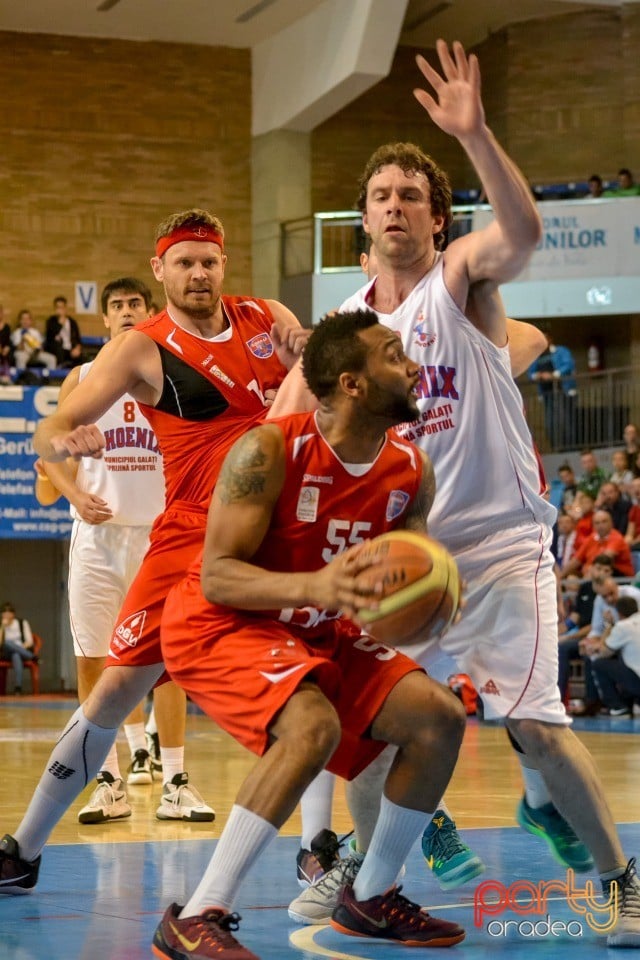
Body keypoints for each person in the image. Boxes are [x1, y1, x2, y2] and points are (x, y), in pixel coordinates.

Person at [291, 39, 639, 947]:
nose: (395, 206)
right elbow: (287, 432)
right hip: (407, 558)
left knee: (536, 725)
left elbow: (520, 235)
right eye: (381, 197)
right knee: (372, 730)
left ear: (438, 220)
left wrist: (477, 133)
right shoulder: (343, 333)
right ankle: (372, 886)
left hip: (500, 545)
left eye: (412, 195)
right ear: (363, 221)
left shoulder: (459, 285)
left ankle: (621, 881)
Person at [0, 208, 308, 894]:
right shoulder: (143, 347)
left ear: (224, 265)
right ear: (160, 267)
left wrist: (311, 348)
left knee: (325, 684)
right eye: (185, 262)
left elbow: (318, 372)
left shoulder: (266, 318)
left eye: (210, 261)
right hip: (189, 533)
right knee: (113, 688)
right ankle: (22, 847)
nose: (199, 273)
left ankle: (318, 846)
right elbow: (52, 424)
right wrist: (61, 443)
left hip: (277, 532)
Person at [154, 309, 466, 957]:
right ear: (351, 383)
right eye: (391, 354)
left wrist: (431, 597)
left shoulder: (412, 469)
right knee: (312, 727)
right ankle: (196, 915)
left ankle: (371, 897)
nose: (411, 366)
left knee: (438, 717)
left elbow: (408, 577)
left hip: (318, 631)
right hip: (222, 622)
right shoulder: (268, 449)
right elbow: (217, 577)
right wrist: (319, 587)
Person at [34, 277, 212, 824]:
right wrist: (75, 494)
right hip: (98, 536)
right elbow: (49, 451)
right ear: (105, 320)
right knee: (94, 662)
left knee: (170, 663)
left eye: (136, 303)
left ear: (151, 311)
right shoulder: (84, 379)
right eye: (117, 306)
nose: (127, 311)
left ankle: (176, 780)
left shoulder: (172, 375)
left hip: (161, 536)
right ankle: (108, 781)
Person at [591, 596, 640, 716]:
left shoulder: (623, 626)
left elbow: (603, 651)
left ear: (619, 613)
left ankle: (618, 706)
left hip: (637, 682)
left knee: (599, 663)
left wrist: (608, 626)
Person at [528, 334, 577, 449]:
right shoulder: (536, 356)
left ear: (550, 340)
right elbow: (531, 373)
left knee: (566, 420)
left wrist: (553, 375)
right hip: (547, 394)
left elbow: (568, 364)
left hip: (563, 391)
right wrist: (539, 375)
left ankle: (570, 446)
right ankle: (555, 446)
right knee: (550, 422)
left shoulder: (560, 351)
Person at [562, 509, 635, 580]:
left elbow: (604, 559)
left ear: (612, 523)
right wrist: (560, 576)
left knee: (596, 569)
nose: (601, 525)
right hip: (595, 575)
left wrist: (588, 568)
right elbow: (575, 561)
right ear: (593, 525)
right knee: (571, 578)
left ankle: (585, 590)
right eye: (597, 523)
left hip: (620, 577)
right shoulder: (591, 538)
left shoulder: (616, 538)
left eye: (604, 522)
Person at [0, 602, 37, 695]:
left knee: (16, 655)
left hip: (21, 651)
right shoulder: (1, 625)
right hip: (5, 653)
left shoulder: (21, 623)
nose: (7, 614)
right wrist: (3, 627)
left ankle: (18, 687)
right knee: (7, 643)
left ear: (13, 614)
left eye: (9, 612)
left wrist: (18, 648)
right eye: (4, 612)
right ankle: (32, 657)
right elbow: (0, 644)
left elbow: (29, 641)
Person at [44, 296, 83, 368]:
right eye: (58, 307)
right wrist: (60, 324)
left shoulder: (72, 322)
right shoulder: (51, 321)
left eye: (62, 307)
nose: (60, 310)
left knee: (82, 357)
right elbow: (49, 338)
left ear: (65, 308)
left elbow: (78, 339)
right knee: (58, 349)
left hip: (71, 350)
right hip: (58, 350)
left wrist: (77, 348)